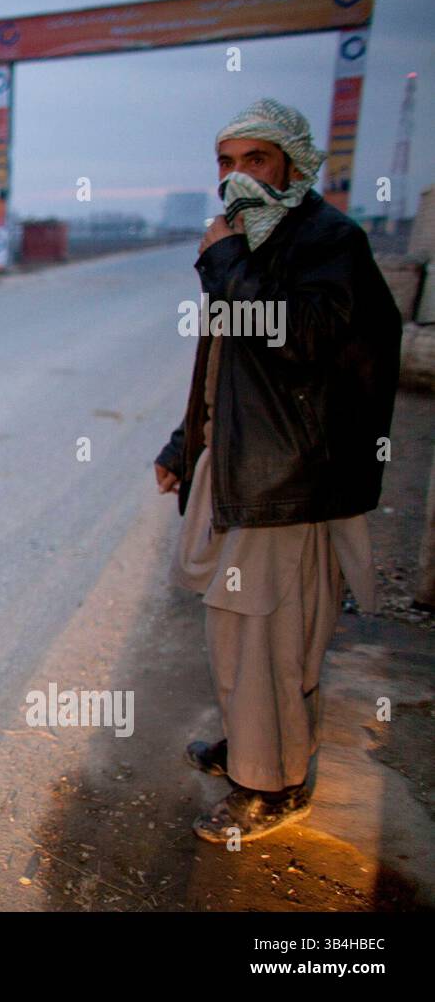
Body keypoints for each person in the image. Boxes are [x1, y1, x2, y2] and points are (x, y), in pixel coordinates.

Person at [153, 98, 401, 843]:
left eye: (254, 161)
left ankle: (273, 784)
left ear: (294, 165)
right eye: (225, 164)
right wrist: (183, 442)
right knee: (239, 632)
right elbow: (229, 366)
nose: (236, 179)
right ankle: (256, 743)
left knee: (268, 633)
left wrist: (222, 258)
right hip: (243, 467)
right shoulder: (257, 244)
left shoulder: (329, 240)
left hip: (286, 484)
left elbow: (298, 340)